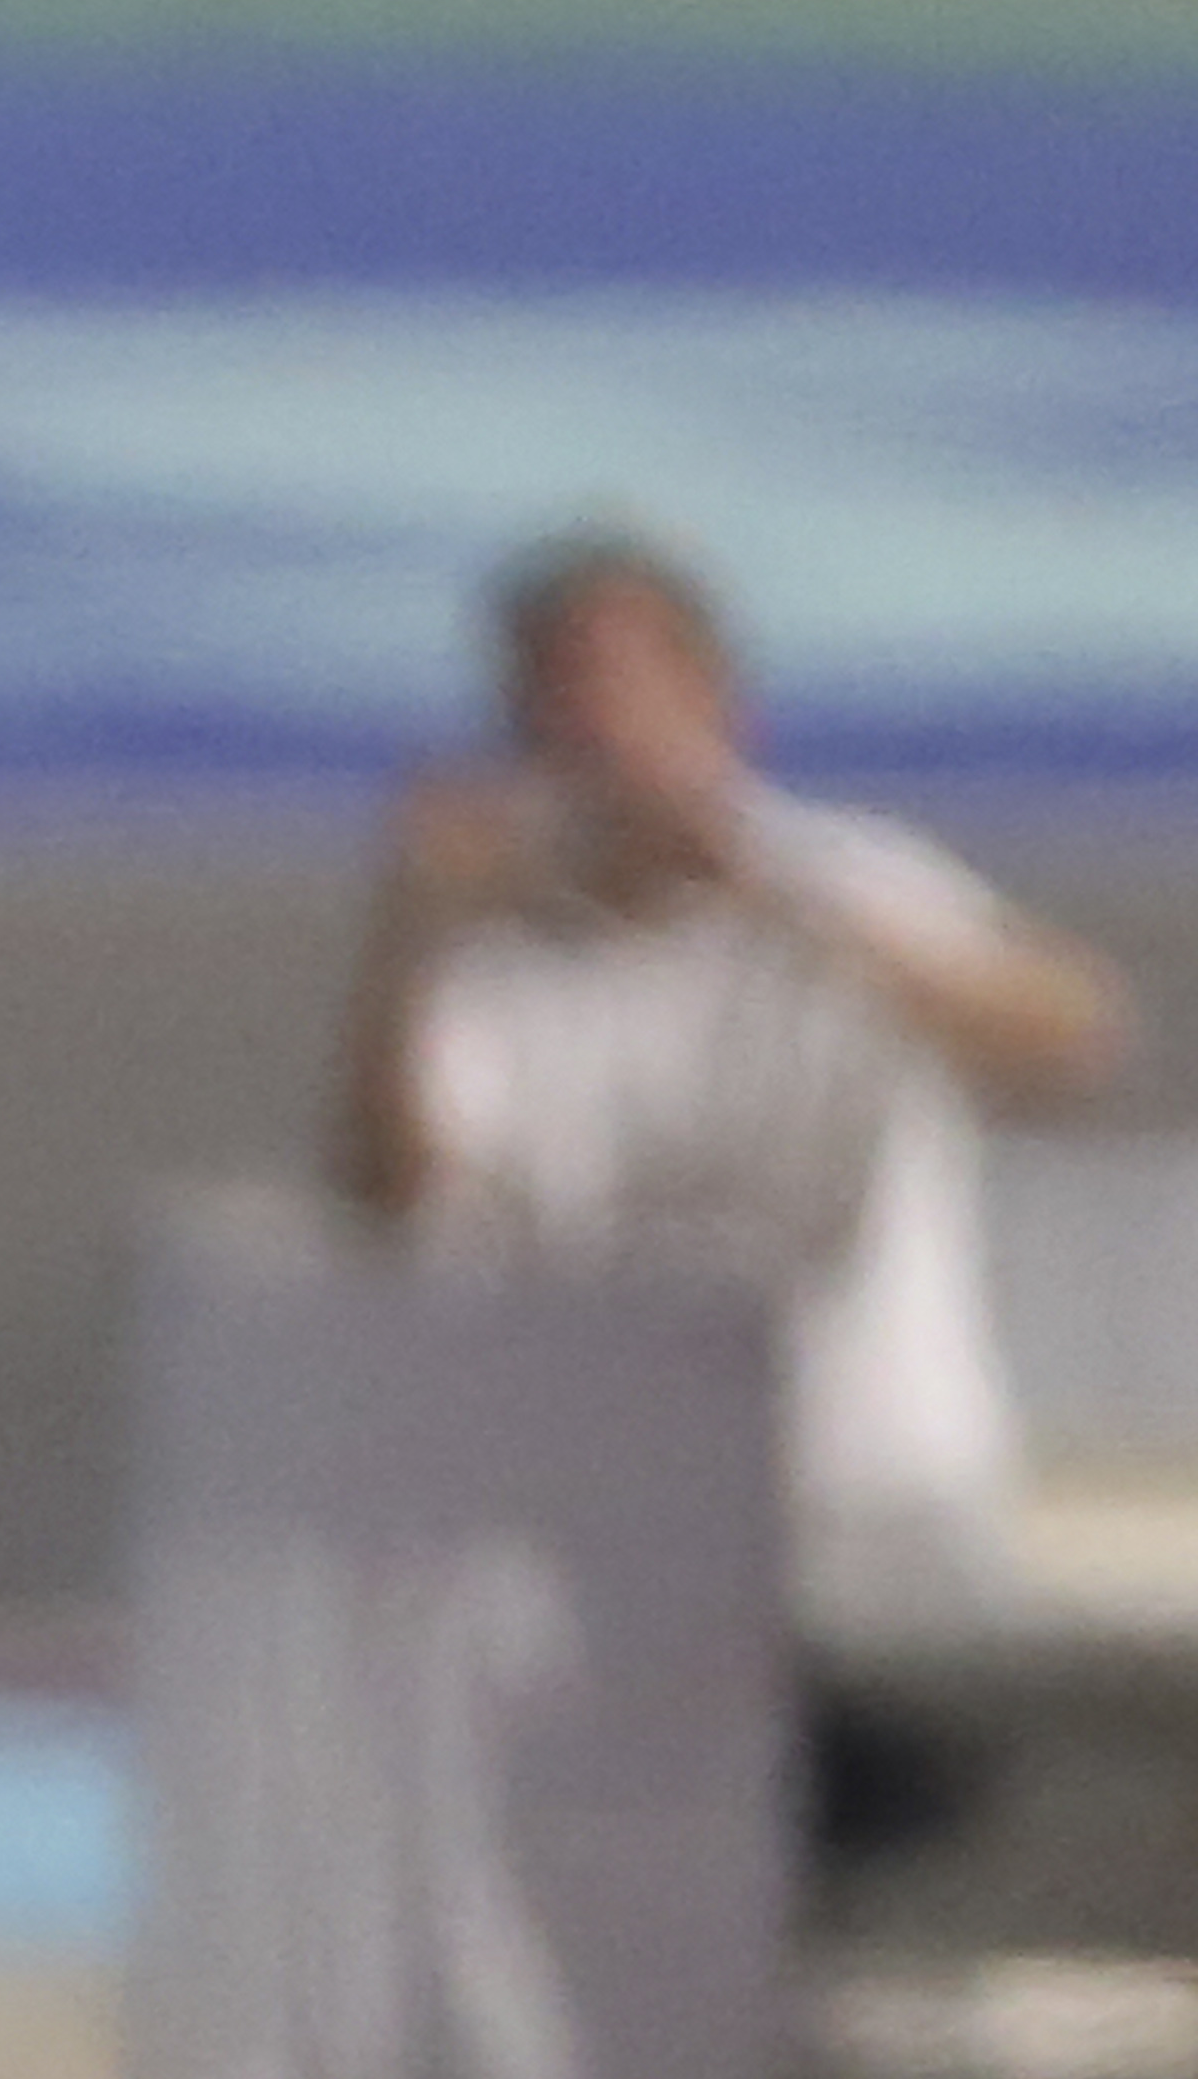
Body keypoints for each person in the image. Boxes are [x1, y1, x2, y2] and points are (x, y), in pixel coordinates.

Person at [335, 526, 1127, 1620]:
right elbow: (389, 1200)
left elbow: (1072, 1034)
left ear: (714, 701)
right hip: (610, 1504)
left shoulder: (849, 885)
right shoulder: (499, 964)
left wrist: (790, 906)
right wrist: (410, 930)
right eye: (554, 697)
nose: (593, 730)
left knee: (902, 1782)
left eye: (620, 687)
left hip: (871, 1483)